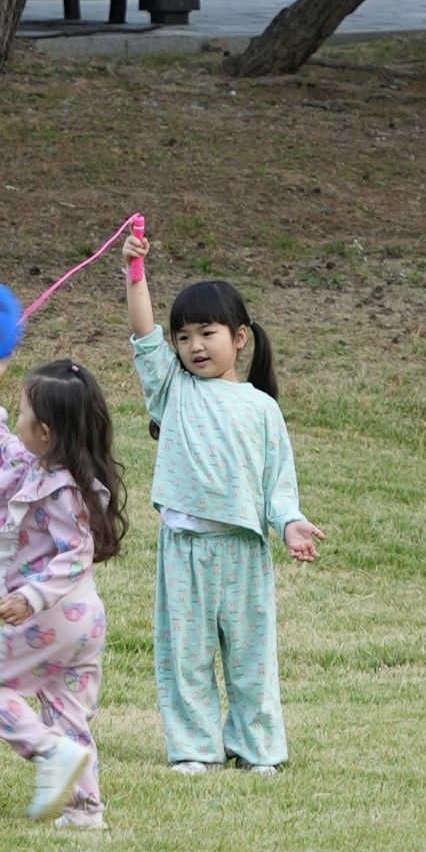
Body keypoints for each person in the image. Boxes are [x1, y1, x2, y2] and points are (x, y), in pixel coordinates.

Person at [122, 228, 326, 775]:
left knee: (250, 660)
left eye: (206, 333)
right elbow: (143, 337)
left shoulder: (261, 408)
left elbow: (277, 484)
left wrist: (290, 523)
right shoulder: (172, 390)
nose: (193, 346)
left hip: (243, 553)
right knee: (184, 658)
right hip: (184, 549)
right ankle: (194, 750)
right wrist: (135, 274)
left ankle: (257, 751)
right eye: (183, 336)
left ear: (238, 337)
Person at [0, 350, 127, 829]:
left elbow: (74, 553)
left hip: (51, 615)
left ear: (46, 433)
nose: (16, 423)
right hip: (84, 619)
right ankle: (84, 810)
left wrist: (31, 597)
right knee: (67, 710)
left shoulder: (61, 489)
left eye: (24, 414)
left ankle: (50, 752)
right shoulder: (37, 465)